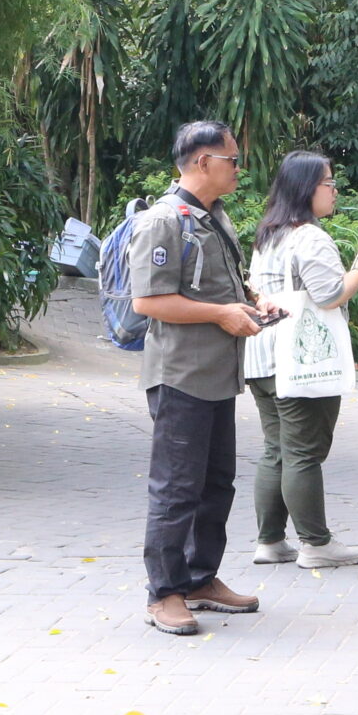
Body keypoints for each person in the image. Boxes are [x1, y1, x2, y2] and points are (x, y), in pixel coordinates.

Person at [129, 120, 272, 637]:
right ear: (203, 162)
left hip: (217, 376)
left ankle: (199, 578)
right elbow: (148, 301)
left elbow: (218, 285)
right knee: (176, 490)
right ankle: (163, 593)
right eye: (232, 160)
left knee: (216, 485)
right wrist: (219, 315)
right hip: (181, 377)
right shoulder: (162, 222)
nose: (239, 169)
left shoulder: (213, 218)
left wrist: (253, 303)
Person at [243, 151, 358, 567]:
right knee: (303, 452)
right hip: (300, 358)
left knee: (276, 449)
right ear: (306, 188)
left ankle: (269, 541)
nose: (335, 191)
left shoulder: (269, 233)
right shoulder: (310, 237)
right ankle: (316, 545)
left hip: (262, 354)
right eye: (329, 183)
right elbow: (330, 296)